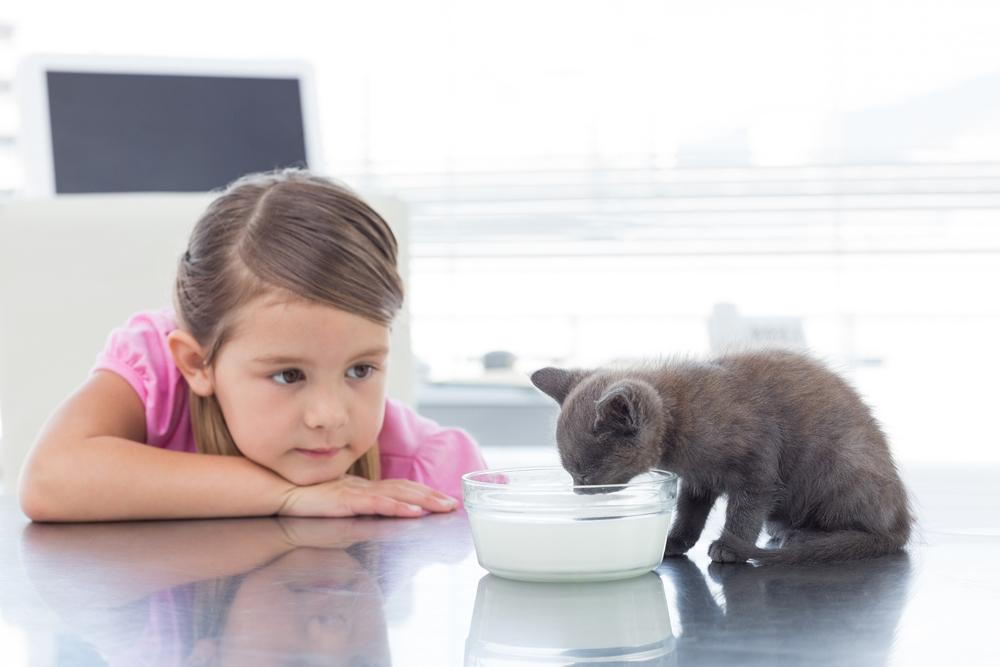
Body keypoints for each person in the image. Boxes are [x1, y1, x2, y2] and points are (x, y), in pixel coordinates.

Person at [18, 169, 486, 521]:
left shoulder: (429, 475)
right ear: (198, 363)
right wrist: (284, 495)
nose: (329, 415)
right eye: (288, 375)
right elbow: (50, 479)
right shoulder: (159, 367)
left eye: (360, 370)